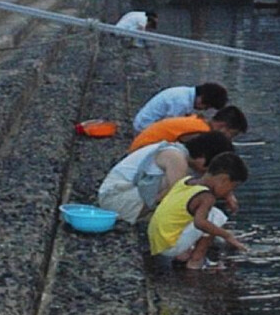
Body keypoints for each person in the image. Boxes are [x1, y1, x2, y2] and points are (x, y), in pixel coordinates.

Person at [96, 131, 234, 224]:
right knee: (181, 189)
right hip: (115, 200)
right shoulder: (176, 158)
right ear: (203, 157)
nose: (206, 172)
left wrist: (226, 193)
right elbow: (176, 196)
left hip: (121, 197)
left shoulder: (178, 151)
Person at [148, 152, 249, 270]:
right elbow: (199, 223)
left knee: (191, 215)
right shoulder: (206, 196)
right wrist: (228, 236)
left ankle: (183, 253)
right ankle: (196, 259)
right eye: (232, 187)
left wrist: (228, 194)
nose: (229, 192)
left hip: (156, 241)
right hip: (169, 246)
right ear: (223, 180)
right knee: (216, 216)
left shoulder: (187, 181)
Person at [128, 105, 248, 153]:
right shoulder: (201, 133)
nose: (230, 139)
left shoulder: (197, 121)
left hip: (141, 147)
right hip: (140, 153)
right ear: (222, 126)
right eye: (232, 135)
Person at [133, 83, 228, 133]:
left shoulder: (185, 93)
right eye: (206, 107)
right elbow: (172, 125)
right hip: (145, 126)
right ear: (201, 99)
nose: (203, 109)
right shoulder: (182, 102)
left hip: (149, 122)